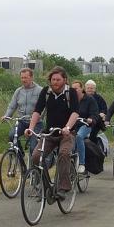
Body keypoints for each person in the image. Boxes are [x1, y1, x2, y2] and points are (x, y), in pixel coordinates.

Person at [26, 67, 80, 197]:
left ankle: (63, 187)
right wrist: (31, 128)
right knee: (35, 157)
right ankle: (44, 186)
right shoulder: (46, 92)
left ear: (65, 80)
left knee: (64, 153)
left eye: (58, 79)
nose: (55, 82)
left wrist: (67, 127)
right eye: (53, 79)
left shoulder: (70, 93)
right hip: (49, 133)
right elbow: (37, 111)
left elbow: (75, 112)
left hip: (66, 133)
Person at [1, 67, 43, 153]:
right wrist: (6, 116)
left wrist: (41, 116)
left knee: (33, 146)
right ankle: (20, 155)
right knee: (12, 135)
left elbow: (44, 107)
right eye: (22, 77)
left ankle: (33, 165)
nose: (23, 80)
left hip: (36, 123)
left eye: (26, 77)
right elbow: (12, 106)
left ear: (31, 78)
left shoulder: (40, 90)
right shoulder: (18, 91)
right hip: (22, 121)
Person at [73, 80, 107, 173]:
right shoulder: (71, 99)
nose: (74, 90)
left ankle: (82, 164)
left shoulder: (91, 99)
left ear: (81, 88)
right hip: (73, 124)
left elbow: (95, 112)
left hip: (86, 124)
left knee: (80, 136)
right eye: (73, 89)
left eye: (76, 88)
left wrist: (91, 118)